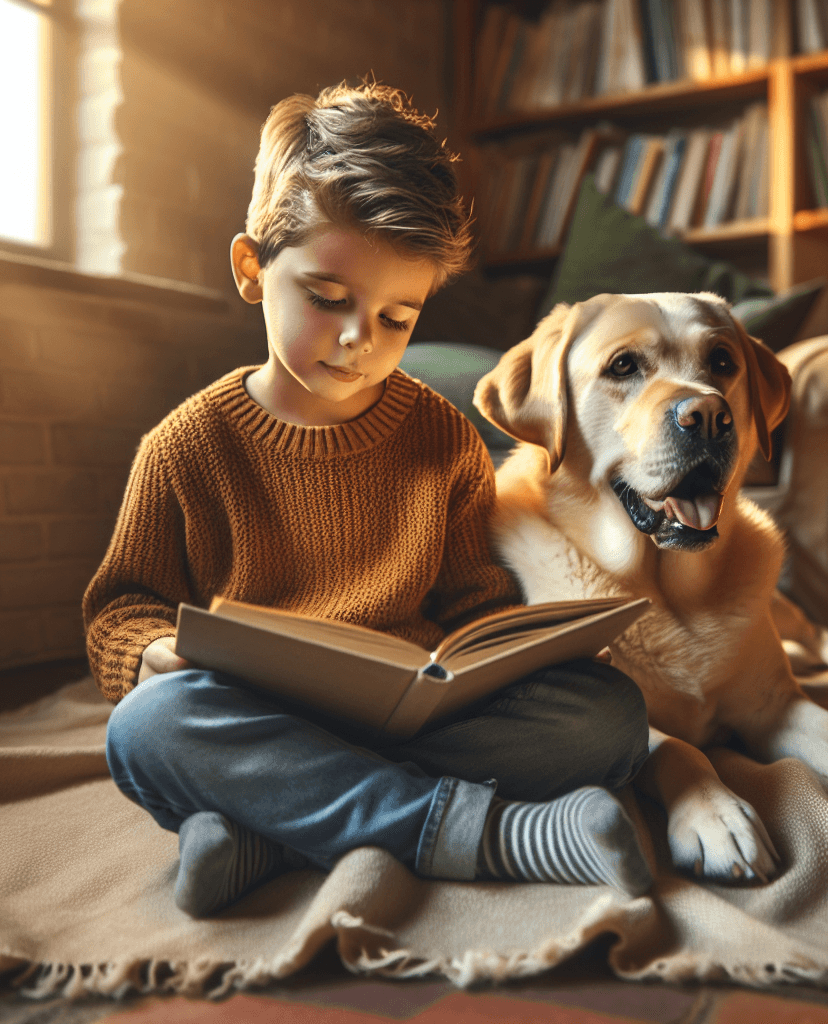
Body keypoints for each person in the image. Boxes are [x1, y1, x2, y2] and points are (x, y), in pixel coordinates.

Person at [84, 83, 652, 918]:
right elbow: (118, 610)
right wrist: (154, 653)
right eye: (327, 298)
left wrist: (517, 651)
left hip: (410, 720)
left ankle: (270, 832)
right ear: (252, 269)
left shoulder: (444, 440)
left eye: (397, 317)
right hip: (260, 717)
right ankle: (498, 836)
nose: (361, 341)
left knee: (608, 716)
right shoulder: (186, 446)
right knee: (148, 727)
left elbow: (474, 605)